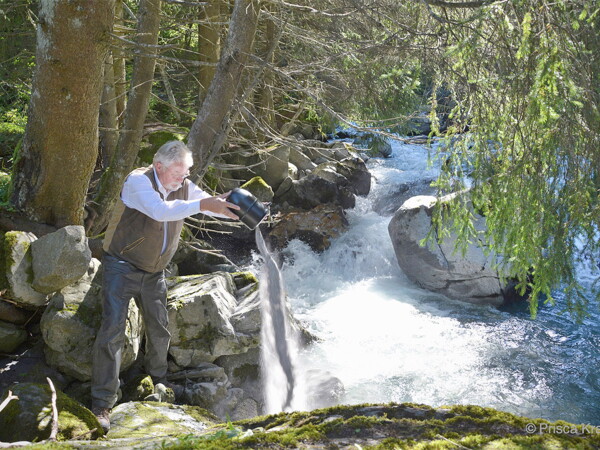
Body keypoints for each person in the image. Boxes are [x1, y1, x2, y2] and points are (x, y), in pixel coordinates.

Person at [91, 141, 240, 432]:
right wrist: (202, 204)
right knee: (112, 330)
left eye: (186, 172)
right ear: (159, 166)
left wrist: (231, 208)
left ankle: (159, 381)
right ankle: (102, 402)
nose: (182, 178)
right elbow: (160, 211)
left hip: (155, 270)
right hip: (122, 264)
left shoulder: (183, 185)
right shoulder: (138, 181)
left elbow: (207, 206)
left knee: (160, 328)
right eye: (178, 171)